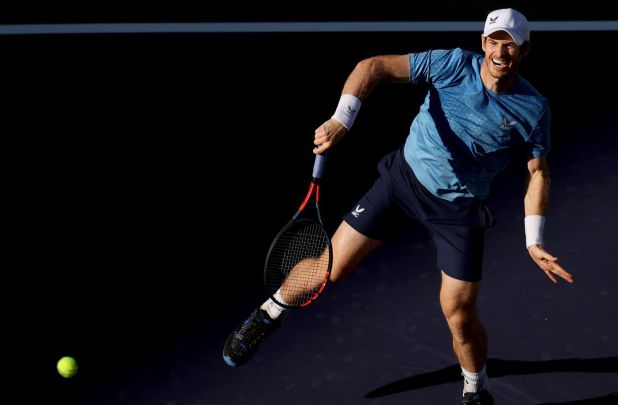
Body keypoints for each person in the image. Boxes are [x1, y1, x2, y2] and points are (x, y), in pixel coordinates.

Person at [223, 8, 574, 405]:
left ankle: (476, 386)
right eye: (494, 40)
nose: (500, 51)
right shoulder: (452, 64)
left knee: (458, 312)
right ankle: (269, 313)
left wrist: (533, 239)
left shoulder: (533, 109)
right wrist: (343, 119)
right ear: (483, 43)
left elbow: (537, 172)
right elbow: (373, 67)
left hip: (458, 213)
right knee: (329, 268)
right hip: (401, 183)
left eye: (510, 44)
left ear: (525, 51)